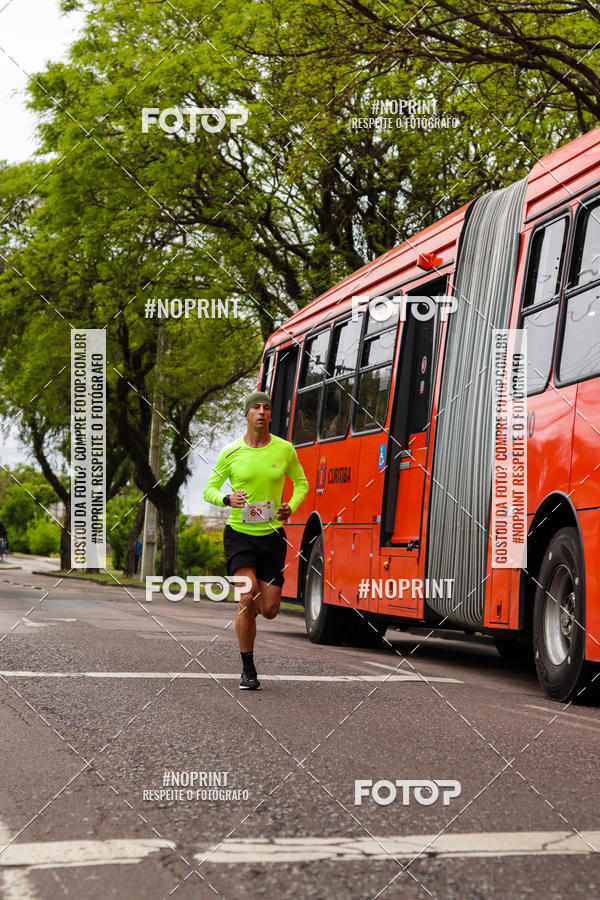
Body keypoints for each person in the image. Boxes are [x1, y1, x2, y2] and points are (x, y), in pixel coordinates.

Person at [203, 391, 309, 690]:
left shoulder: (285, 450)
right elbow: (209, 489)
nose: (261, 412)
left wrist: (292, 505)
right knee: (246, 597)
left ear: (271, 416)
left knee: (270, 609)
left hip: (272, 536)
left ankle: (252, 615)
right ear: (247, 415)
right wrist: (227, 498)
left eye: (266, 408)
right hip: (239, 536)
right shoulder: (231, 452)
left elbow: (301, 483)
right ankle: (248, 669)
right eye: (256, 408)